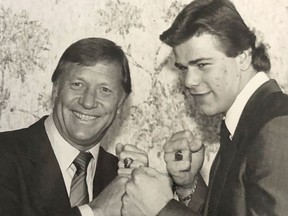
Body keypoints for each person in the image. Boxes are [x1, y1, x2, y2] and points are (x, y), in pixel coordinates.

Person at [121, 0, 288, 215]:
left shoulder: (278, 127)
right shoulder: (247, 121)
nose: (189, 81)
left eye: (202, 65)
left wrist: (162, 210)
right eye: (183, 68)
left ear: (243, 57)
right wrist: (188, 187)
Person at [0, 37, 148, 216]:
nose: (88, 102)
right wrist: (95, 211)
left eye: (105, 90)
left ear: (120, 103)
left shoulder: (120, 176)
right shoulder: (5, 155)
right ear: (55, 90)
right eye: (77, 85)